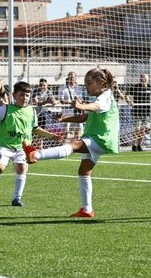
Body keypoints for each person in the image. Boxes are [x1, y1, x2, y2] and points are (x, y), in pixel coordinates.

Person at [24, 68, 119, 218]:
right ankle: (87, 210)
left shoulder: (105, 97)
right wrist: (64, 118)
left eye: (89, 83)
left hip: (101, 138)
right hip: (96, 137)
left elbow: (97, 106)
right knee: (84, 172)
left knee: (73, 145)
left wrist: (81, 106)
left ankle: (35, 154)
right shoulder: (100, 97)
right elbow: (83, 118)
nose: (86, 87)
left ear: (101, 83)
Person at [0, 81, 63, 207]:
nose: (24, 98)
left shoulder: (31, 111)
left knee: (22, 168)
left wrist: (51, 135)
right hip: (5, 146)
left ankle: (16, 198)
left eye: (27, 96)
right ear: (14, 95)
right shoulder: (6, 109)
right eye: (21, 95)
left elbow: (35, 128)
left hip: (22, 148)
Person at [128, 74, 151, 151]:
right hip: (136, 111)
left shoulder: (150, 87)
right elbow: (126, 95)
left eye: (145, 78)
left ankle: (139, 145)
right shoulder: (135, 87)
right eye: (142, 78)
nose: (143, 80)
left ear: (148, 79)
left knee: (143, 129)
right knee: (137, 128)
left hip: (146, 111)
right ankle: (133, 145)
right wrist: (130, 101)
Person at [58, 71, 86, 141]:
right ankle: (64, 144)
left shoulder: (79, 88)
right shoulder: (63, 88)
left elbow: (82, 101)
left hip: (77, 112)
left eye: (73, 77)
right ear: (68, 78)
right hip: (67, 112)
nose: (71, 78)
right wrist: (72, 103)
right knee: (65, 131)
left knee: (78, 131)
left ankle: (76, 144)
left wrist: (78, 100)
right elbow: (61, 100)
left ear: (75, 78)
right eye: (70, 77)